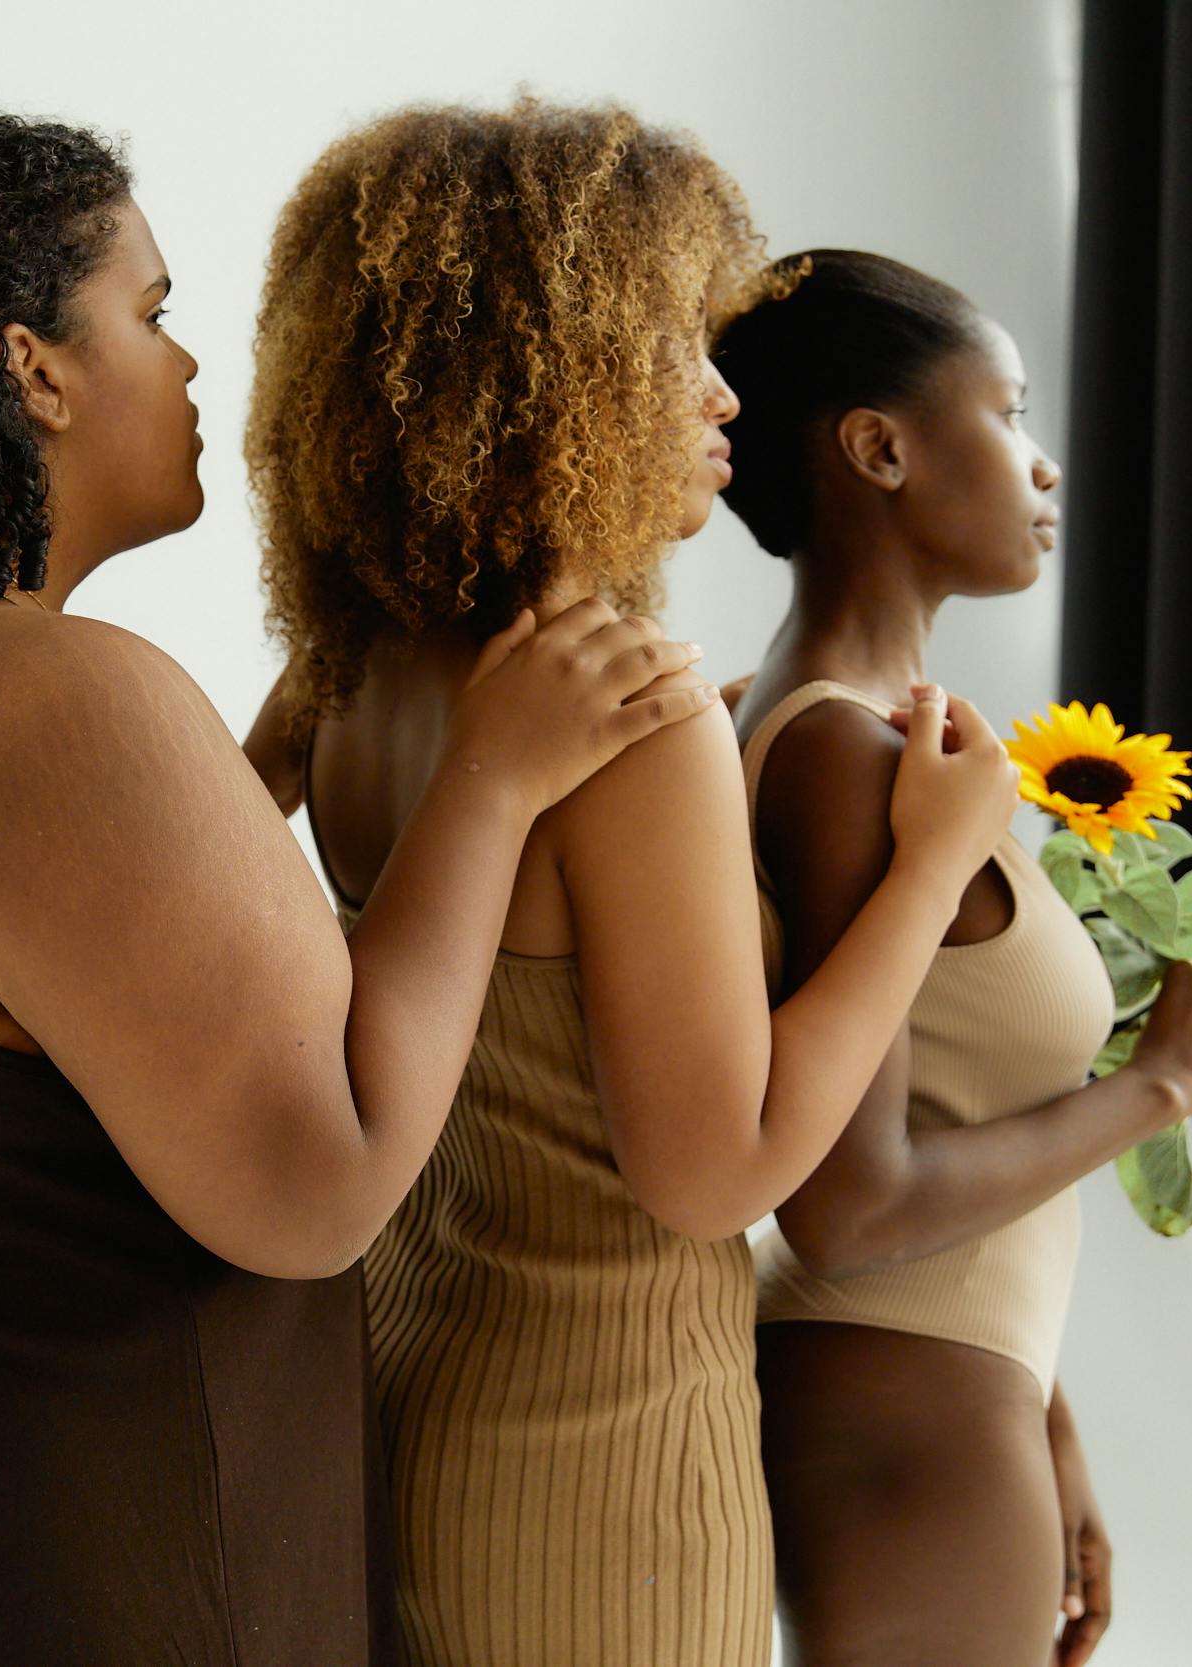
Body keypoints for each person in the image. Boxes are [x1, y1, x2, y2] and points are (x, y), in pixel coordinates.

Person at [0, 112, 716, 1667]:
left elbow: (42, 1000)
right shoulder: (46, 693)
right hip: (76, 1559)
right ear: (37, 371)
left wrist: (248, 776)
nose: (197, 366)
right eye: (152, 316)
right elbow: (323, 1181)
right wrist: (489, 782)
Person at [241, 104, 1019, 1667]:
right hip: (604, 1479)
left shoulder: (349, 670)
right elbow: (716, 1175)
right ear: (548, 369)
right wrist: (929, 872)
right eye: (674, 344)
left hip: (407, 1397)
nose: (725, 392)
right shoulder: (629, 712)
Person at [717, 249, 1192, 1667]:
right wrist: (1168, 1084)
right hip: (906, 1420)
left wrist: (1044, 1411)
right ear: (880, 448)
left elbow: (953, 1122)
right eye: (1009, 413)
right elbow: (853, 1203)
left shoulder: (879, 738)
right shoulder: (843, 754)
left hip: (951, 1399)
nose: (1046, 468)